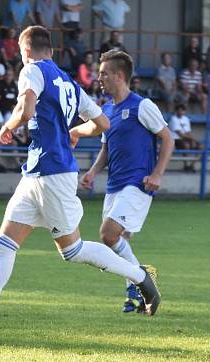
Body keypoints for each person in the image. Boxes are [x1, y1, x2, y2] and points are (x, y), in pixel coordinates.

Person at [0, 26, 160, 336]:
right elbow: (103, 122)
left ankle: (140, 277)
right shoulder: (68, 80)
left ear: (23, 51)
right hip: (37, 172)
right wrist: (73, 133)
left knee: (73, 250)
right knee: (4, 242)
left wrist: (9, 126)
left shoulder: (31, 70)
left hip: (52, 172)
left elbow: (26, 110)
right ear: (51, 51)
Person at [80, 50, 174, 314]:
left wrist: (157, 174)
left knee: (107, 234)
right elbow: (107, 148)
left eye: (104, 73)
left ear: (120, 76)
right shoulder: (107, 110)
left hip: (137, 183)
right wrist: (92, 171)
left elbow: (168, 139)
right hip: (114, 185)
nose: (99, 78)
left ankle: (139, 282)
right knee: (119, 243)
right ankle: (138, 287)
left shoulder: (142, 106)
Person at [168, 104, 202, 171]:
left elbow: (188, 132)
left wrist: (193, 141)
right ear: (176, 111)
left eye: (182, 110)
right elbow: (180, 134)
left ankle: (191, 165)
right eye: (179, 110)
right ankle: (186, 165)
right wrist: (193, 139)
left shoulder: (186, 119)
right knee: (186, 145)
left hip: (186, 138)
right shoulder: (173, 119)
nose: (181, 112)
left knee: (201, 147)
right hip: (175, 139)